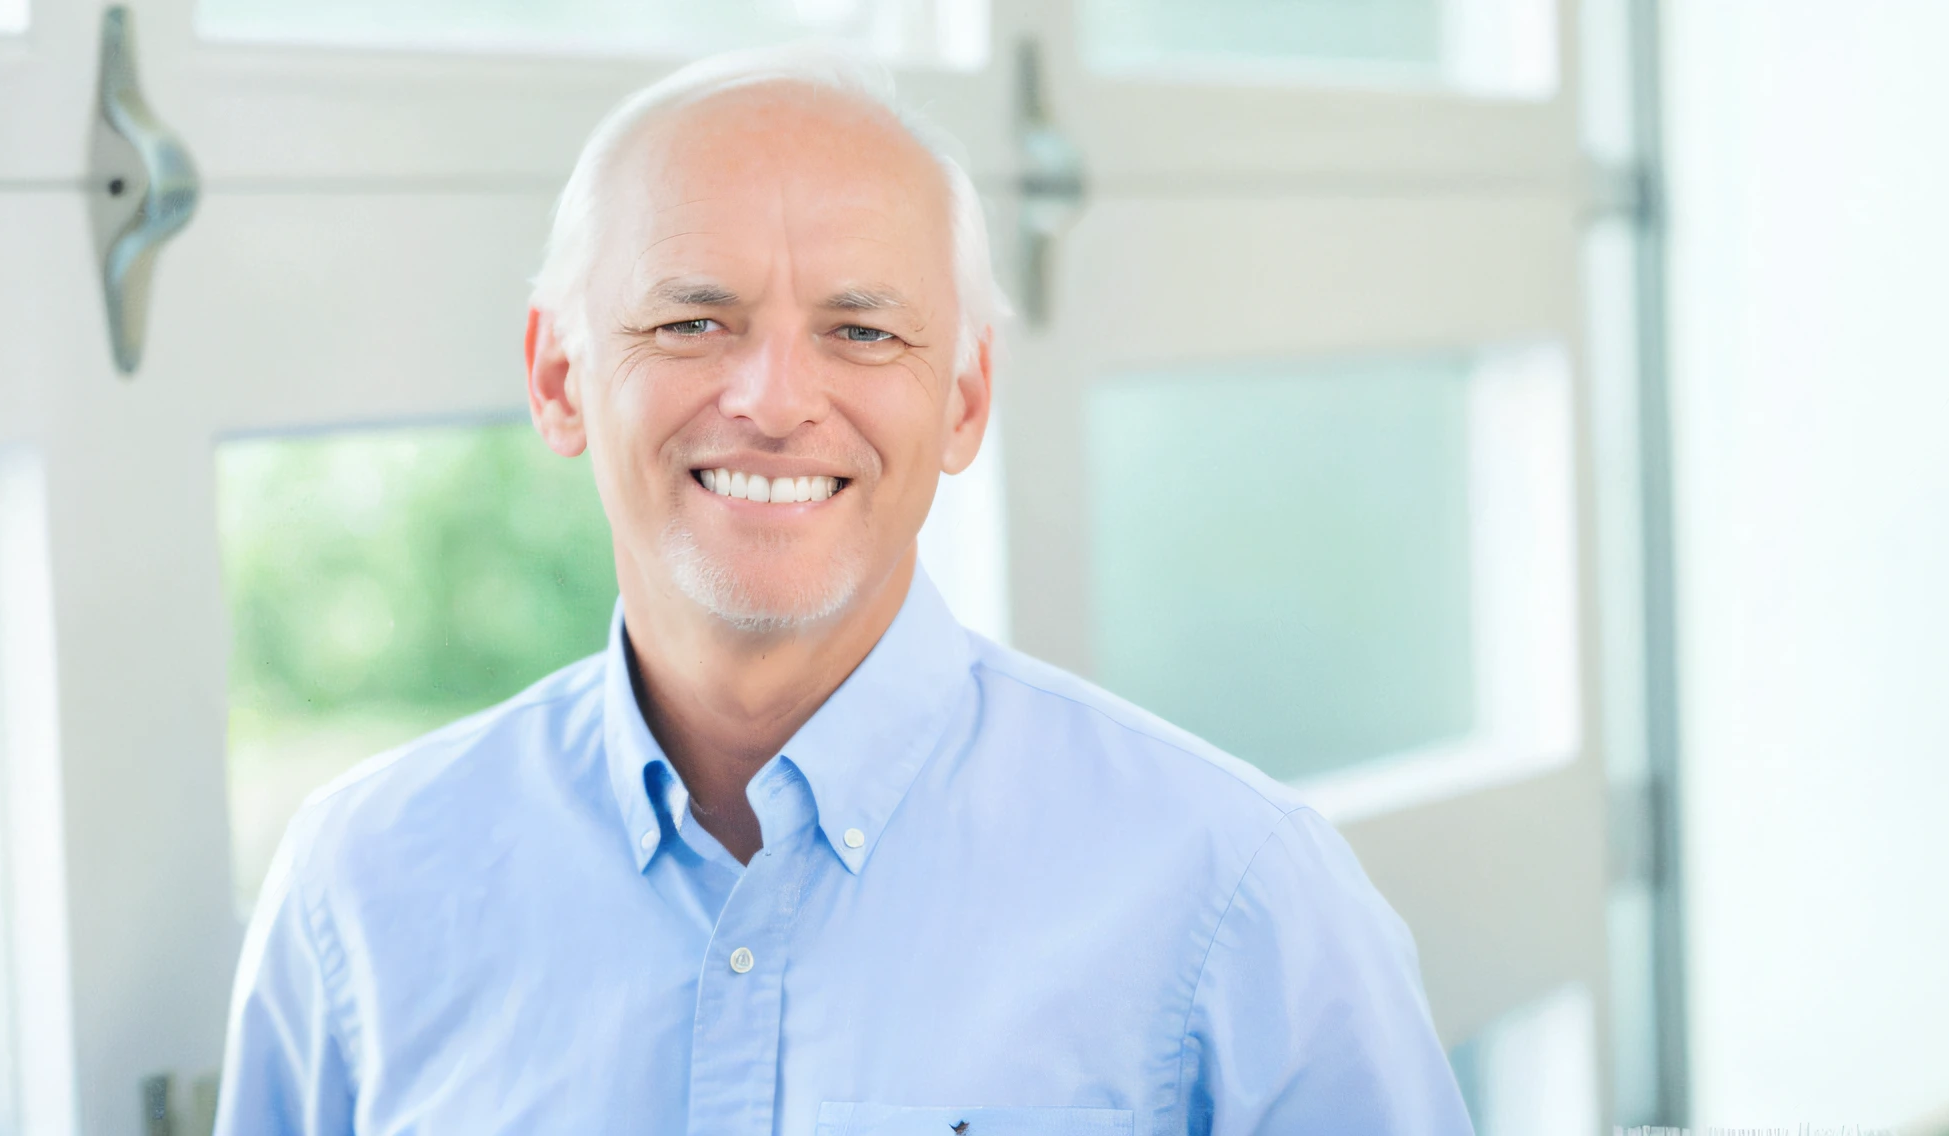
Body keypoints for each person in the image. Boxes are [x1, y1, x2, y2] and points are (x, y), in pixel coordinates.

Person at [214, 43, 1472, 1136]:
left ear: (965, 397)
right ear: (557, 378)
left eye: (862, 331)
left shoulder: (1235, 893)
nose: (770, 399)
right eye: (690, 322)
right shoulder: (361, 890)